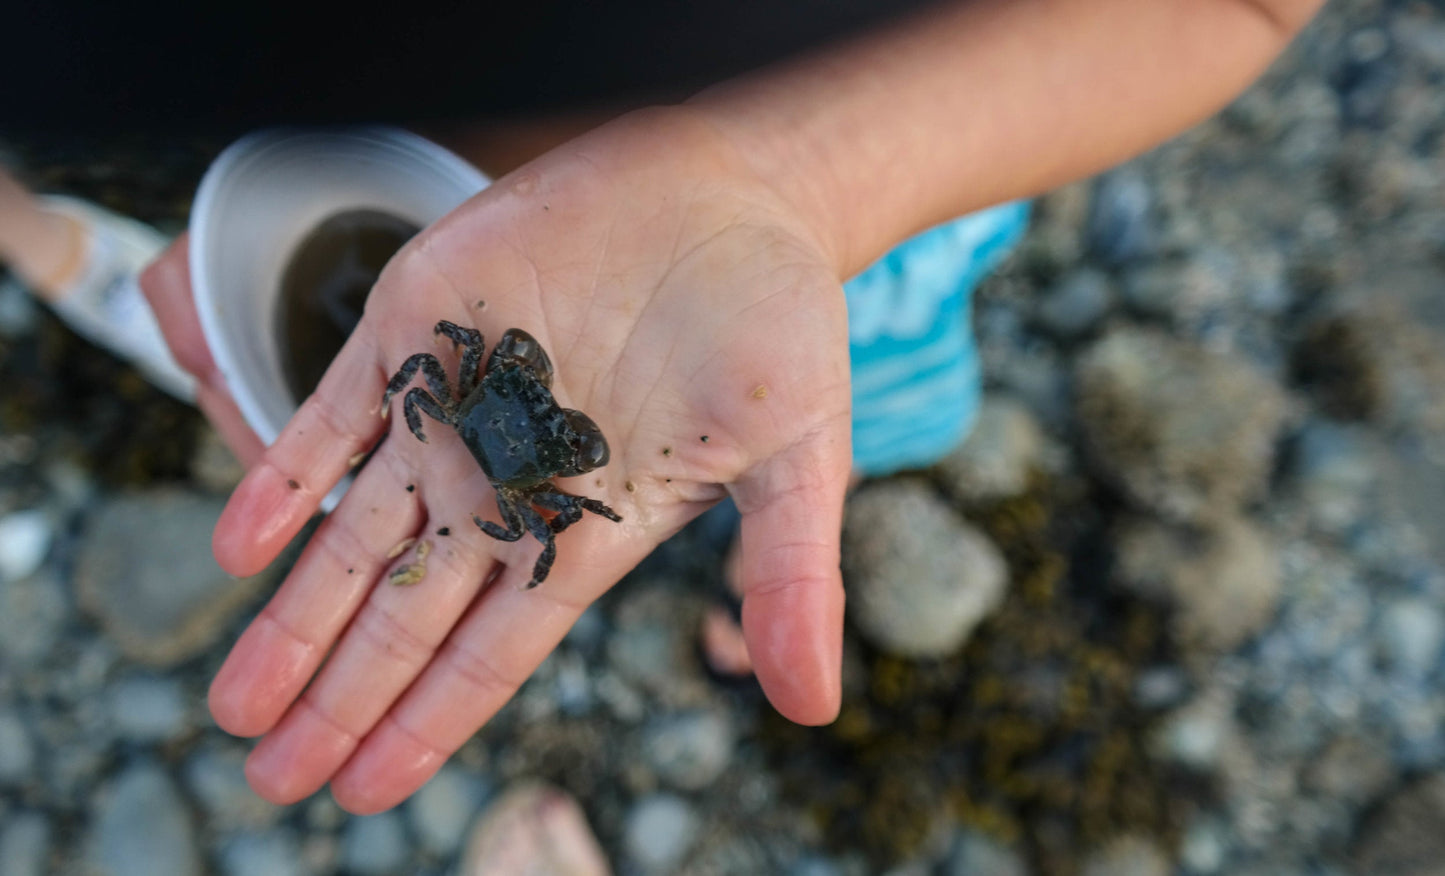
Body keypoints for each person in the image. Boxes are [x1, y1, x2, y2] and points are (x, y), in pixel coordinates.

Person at [14, 0, 1325, 818]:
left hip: (832, 233)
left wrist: (795, 179)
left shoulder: (502, 403)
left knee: (852, 408)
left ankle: (747, 558)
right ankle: (60, 247)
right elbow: (456, 369)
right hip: (295, 192)